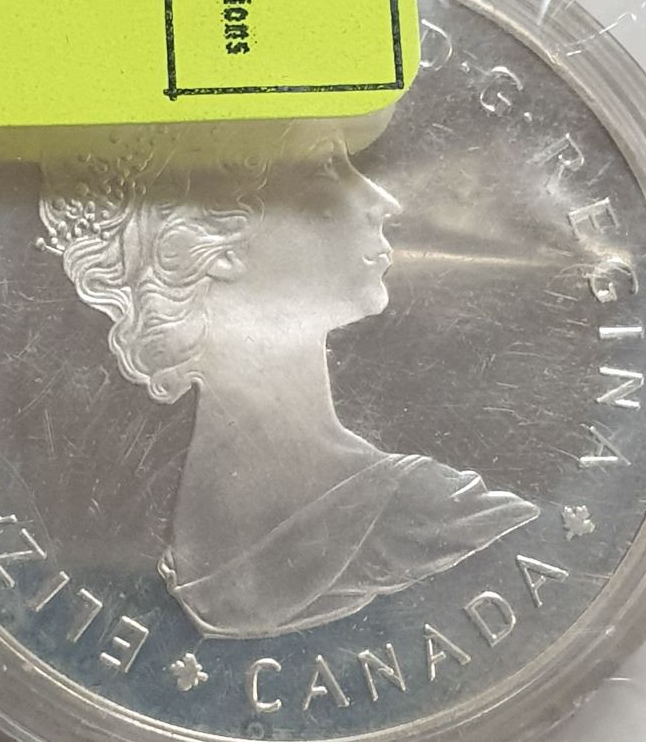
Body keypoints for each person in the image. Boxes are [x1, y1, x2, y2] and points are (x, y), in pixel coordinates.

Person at [39, 122, 539, 640]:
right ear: (217, 245)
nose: (384, 201)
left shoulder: (194, 550)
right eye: (324, 168)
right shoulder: (428, 513)